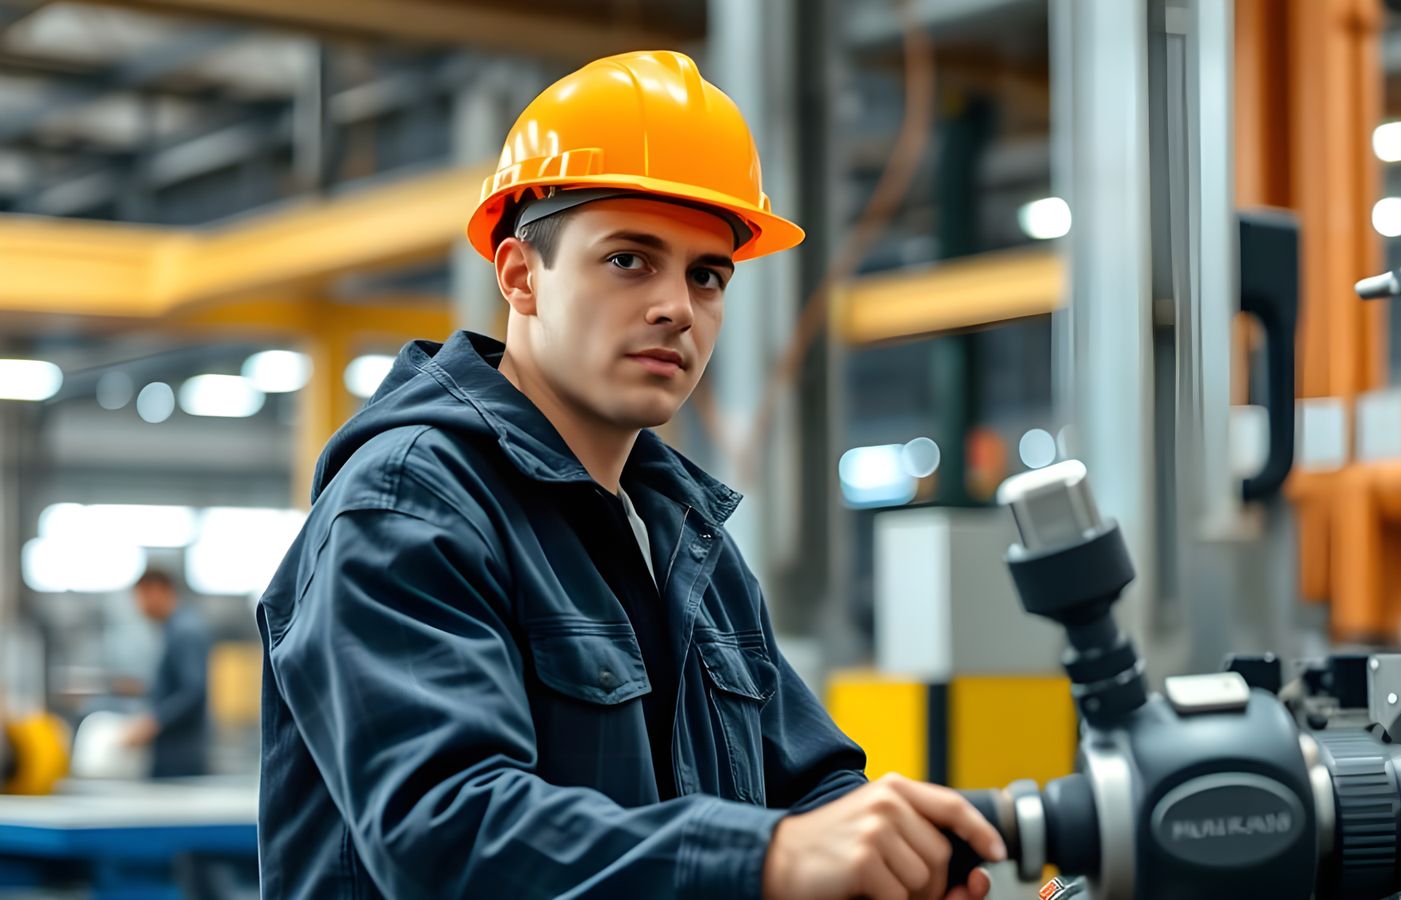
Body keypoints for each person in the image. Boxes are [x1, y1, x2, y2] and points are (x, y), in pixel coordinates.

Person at [254, 50, 1004, 899]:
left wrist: (897, 857)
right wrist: (772, 858)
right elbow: (447, 836)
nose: (677, 307)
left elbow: (809, 783)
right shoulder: (409, 505)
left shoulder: (687, 539)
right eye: (628, 260)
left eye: (707, 275)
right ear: (520, 276)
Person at [122, 568, 211, 778]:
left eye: (142, 596)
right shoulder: (174, 629)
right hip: (172, 751)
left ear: (158, 590)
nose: (139, 606)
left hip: (181, 754)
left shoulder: (185, 630)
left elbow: (194, 691)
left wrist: (153, 722)